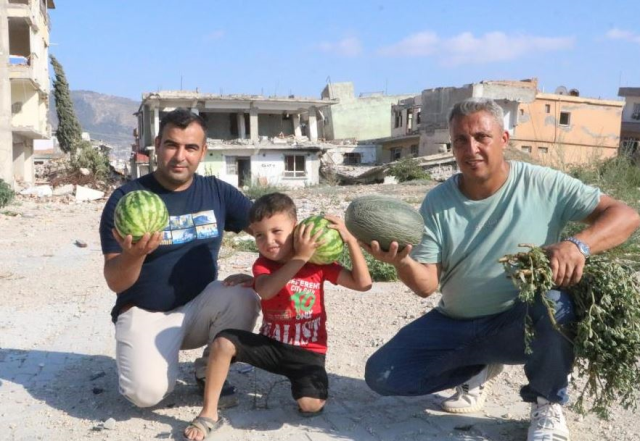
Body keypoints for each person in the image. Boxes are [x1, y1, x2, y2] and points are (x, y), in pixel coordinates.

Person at [363, 97, 640, 441]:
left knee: (556, 303)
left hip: (519, 322)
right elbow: (426, 285)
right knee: (383, 376)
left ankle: (546, 402)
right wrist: (401, 261)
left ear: (504, 140)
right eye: (461, 140)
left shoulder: (543, 184)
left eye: (482, 137)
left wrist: (577, 245)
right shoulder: (438, 201)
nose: (472, 148)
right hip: (457, 322)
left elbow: (625, 215)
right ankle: (477, 368)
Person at [99, 108, 261, 409]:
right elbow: (115, 280)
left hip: (201, 307)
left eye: (191, 147)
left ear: (203, 152)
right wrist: (134, 256)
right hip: (146, 311)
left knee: (245, 296)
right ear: (157, 145)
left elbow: (268, 232)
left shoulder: (218, 193)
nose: (180, 156)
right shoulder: (126, 199)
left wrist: (307, 247)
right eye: (172, 145)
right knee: (145, 396)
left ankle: (208, 369)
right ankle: (146, 358)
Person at [183, 192, 372, 440]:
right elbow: (267, 289)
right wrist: (296, 259)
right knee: (222, 342)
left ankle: (305, 387)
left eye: (276, 231)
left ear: (296, 228)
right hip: (270, 346)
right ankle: (209, 414)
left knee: (310, 405)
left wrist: (350, 240)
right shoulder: (263, 265)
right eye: (259, 235)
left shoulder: (318, 265)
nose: (269, 241)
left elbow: (363, 284)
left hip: (308, 353)